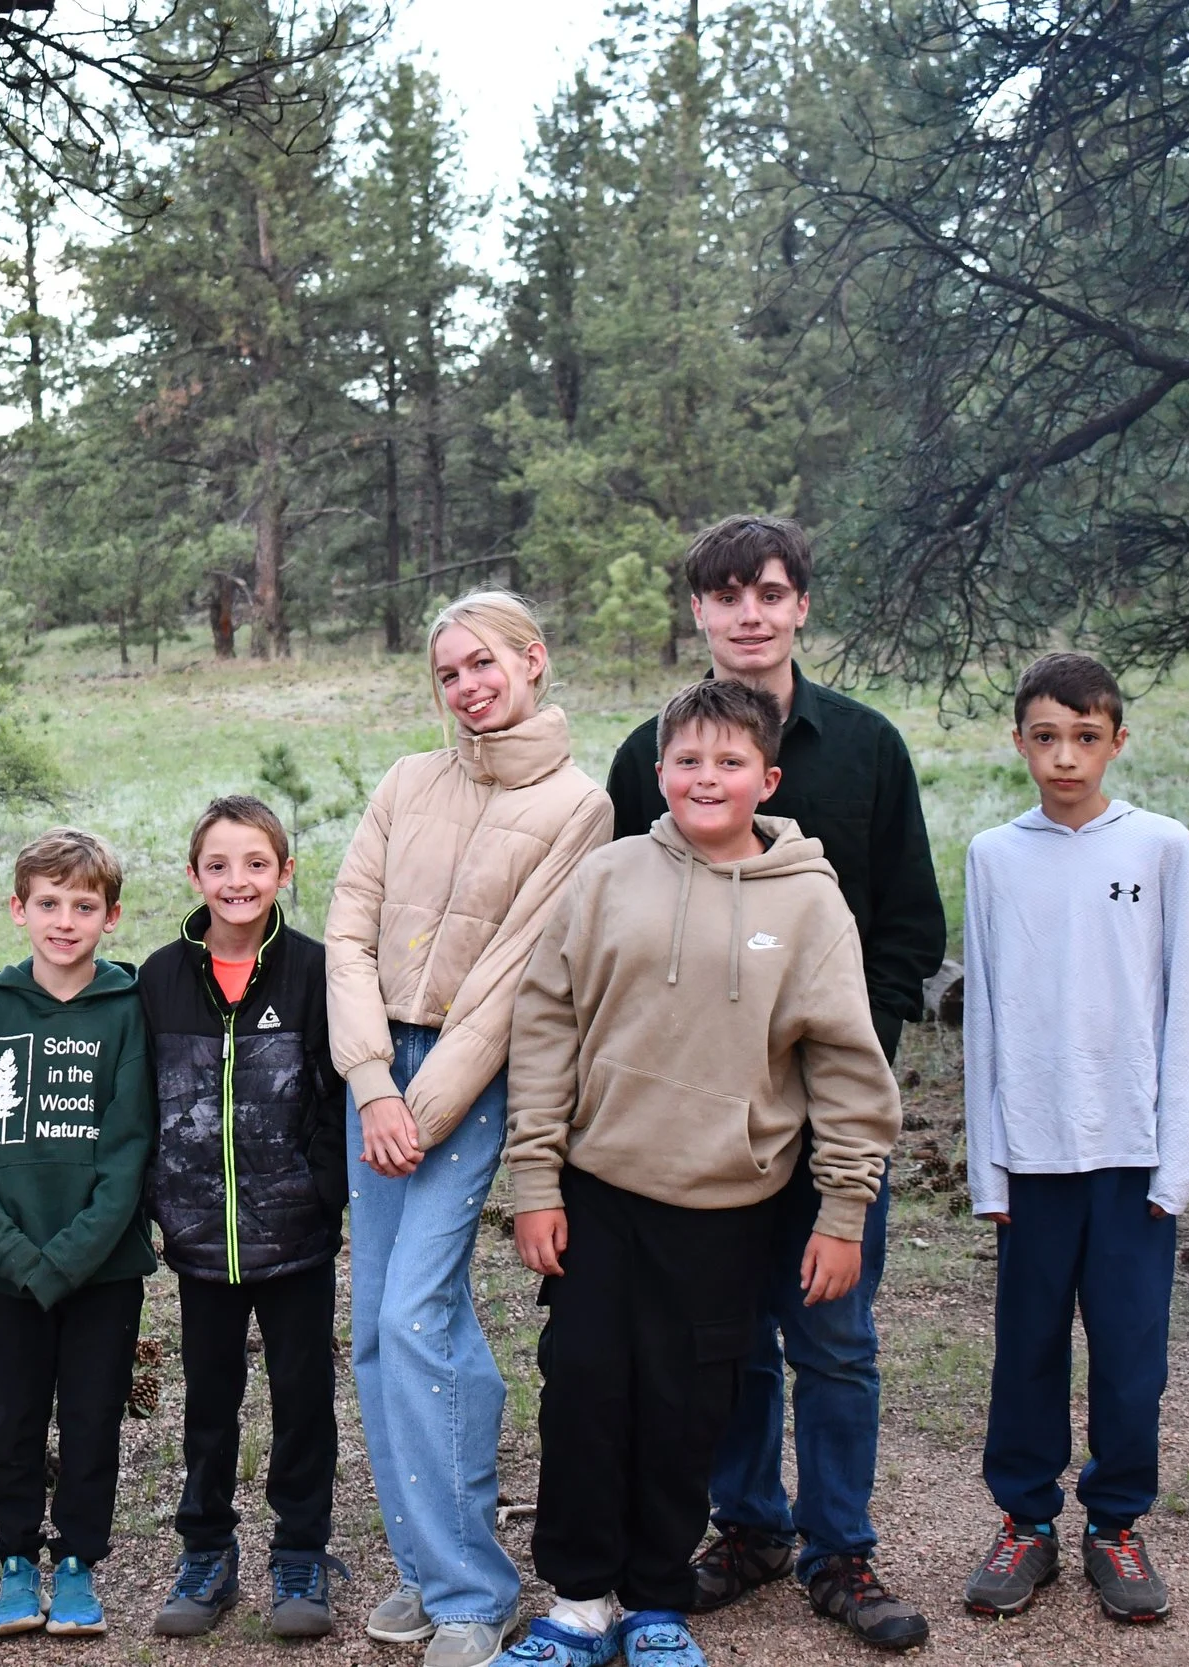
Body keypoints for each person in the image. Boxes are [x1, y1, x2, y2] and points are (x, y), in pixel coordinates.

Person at [502, 678, 902, 1667]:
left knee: (685, 1405)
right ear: (659, 770)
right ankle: (579, 1600)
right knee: (583, 1388)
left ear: (768, 779)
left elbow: (846, 1065)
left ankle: (653, 1601)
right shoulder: (608, 876)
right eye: (687, 760)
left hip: (726, 1203)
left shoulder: (809, 902)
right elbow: (546, 1024)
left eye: (730, 761)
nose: (706, 777)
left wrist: (843, 1207)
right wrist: (535, 1179)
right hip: (598, 1190)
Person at [603, 518, 944, 1651]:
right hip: (704, 1107)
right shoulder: (648, 756)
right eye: (727, 594)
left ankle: (840, 1547)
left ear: (801, 605)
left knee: (833, 1333)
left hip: (829, 1103)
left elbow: (908, 925)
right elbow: (622, 917)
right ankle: (747, 1524)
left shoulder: (866, 746)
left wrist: (846, 1053)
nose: (749, 612)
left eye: (770, 591)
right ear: (698, 610)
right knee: (730, 1333)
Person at [326, 592, 612, 1667]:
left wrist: (423, 1103)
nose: (467, 686)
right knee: (380, 1324)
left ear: (532, 659)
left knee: (415, 1310)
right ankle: (421, 1562)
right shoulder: (407, 780)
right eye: (448, 672)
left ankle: (472, 1592)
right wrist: (369, 1080)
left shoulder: (580, 805)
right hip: (374, 1068)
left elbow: (513, 977)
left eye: (483, 663)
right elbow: (348, 928)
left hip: (472, 1074)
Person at [959, 652, 1189, 1626]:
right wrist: (988, 1170)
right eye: (1046, 737)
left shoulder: (1160, 846)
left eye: (1085, 737)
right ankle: (1025, 1521)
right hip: (1032, 1154)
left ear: (1116, 741)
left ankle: (1116, 1522)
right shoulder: (993, 855)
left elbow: (1183, 1010)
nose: (1065, 756)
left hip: (1132, 1154)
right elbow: (982, 1020)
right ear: (1019, 741)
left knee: (1131, 1354)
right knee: (1026, 1348)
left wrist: (1175, 1161)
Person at [140, 797, 348, 1640]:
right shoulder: (158, 977)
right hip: (199, 1240)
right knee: (208, 1401)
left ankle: (300, 1551)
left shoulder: (316, 971)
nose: (238, 880)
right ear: (194, 875)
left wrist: (322, 1189)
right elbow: (142, 1100)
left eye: (256, 863)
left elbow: (337, 1095)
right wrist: (160, 1197)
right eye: (219, 865)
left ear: (284, 872)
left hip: (296, 1236)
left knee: (304, 1399)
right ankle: (207, 1551)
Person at [0, 827, 156, 1642]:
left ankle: (76, 1562)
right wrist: (9, 1249)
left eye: (83, 905)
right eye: (48, 903)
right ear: (18, 908)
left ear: (111, 916)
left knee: (93, 1415)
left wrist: (69, 1255)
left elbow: (129, 1145)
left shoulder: (127, 1009)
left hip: (103, 1269)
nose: (64, 920)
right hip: (13, 1269)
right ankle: (14, 1558)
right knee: (15, 1416)